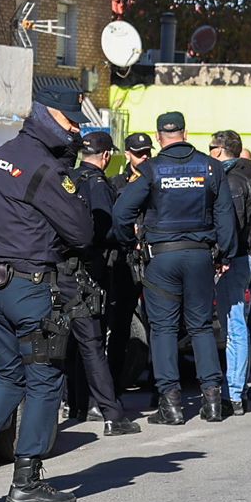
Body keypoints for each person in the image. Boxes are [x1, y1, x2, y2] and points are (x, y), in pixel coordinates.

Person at [0, 103, 96, 502]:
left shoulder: (3, 153)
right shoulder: (44, 168)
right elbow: (82, 231)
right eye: (72, 124)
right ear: (53, 119)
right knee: (45, 379)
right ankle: (26, 480)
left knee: (7, 377)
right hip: (31, 288)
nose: (77, 132)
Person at [111, 111, 236, 424]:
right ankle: (212, 402)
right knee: (201, 327)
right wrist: (224, 255)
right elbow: (225, 217)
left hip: (162, 258)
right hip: (199, 256)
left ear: (157, 137)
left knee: (164, 329)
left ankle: (172, 406)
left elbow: (121, 212)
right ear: (185, 132)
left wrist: (130, 243)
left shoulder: (151, 169)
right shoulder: (211, 167)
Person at [67, 130, 141, 436]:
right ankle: (108, 411)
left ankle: (76, 403)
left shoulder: (68, 179)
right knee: (93, 340)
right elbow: (106, 229)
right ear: (107, 156)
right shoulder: (98, 184)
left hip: (66, 267)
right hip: (93, 268)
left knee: (72, 338)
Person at [208, 129, 251, 415]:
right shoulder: (239, 177)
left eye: (210, 147)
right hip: (238, 257)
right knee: (233, 325)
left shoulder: (232, 181)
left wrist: (223, 255)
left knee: (234, 327)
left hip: (234, 259)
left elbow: (233, 224)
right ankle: (237, 389)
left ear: (219, 150)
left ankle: (235, 392)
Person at [105, 131, 153, 393]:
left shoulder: (156, 179)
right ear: (128, 155)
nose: (145, 158)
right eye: (139, 154)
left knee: (159, 324)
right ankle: (114, 384)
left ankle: (159, 387)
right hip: (126, 259)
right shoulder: (116, 183)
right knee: (120, 324)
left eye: (148, 153)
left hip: (153, 258)